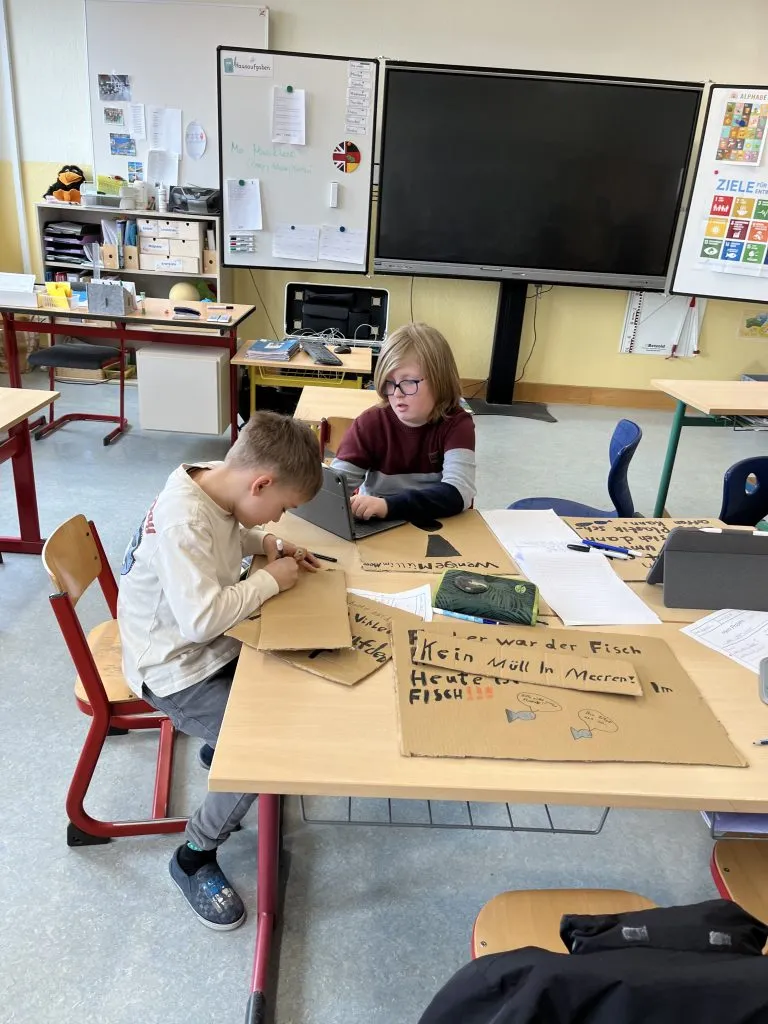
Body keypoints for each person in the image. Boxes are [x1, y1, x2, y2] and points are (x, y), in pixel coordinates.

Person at [117, 411, 322, 930]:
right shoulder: (184, 519)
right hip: (173, 670)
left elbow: (231, 529)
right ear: (261, 482)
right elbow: (202, 618)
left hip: (205, 651)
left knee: (291, 690)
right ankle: (194, 853)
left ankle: (222, 746)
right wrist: (272, 580)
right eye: (281, 509)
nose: (277, 519)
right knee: (263, 751)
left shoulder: (215, 480)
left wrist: (268, 548)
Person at [331, 322, 476, 524]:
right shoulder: (369, 424)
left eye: (409, 382)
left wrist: (388, 506)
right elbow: (332, 490)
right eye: (390, 382)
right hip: (379, 529)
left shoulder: (457, 424)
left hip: (438, 523)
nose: (397, 393)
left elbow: (459, 493)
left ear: (439, 380)